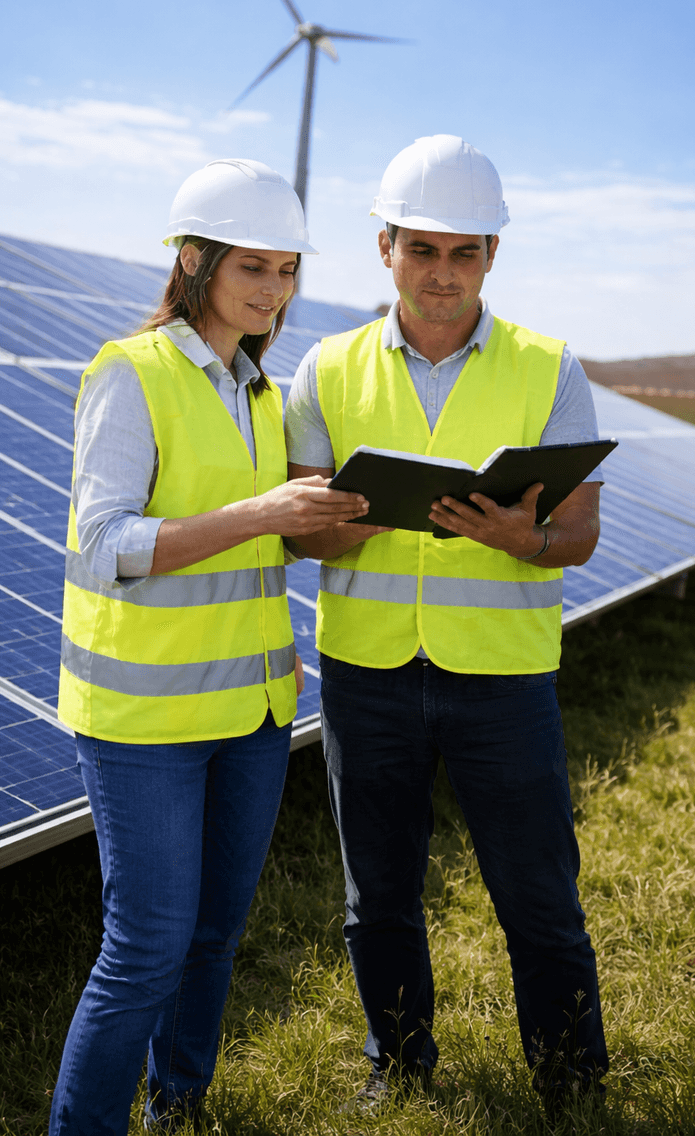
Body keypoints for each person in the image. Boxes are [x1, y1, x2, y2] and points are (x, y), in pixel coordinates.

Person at [284, 135, 609, 1116]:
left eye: (465, 251)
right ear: (384, 248)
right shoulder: (326, 370)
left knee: (538, 896)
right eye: (421, 249)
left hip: (502, 678)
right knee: (377, 896)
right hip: (368, 675)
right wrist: (350, 518)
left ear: (493, 256)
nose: (442, 272)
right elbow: (300, 536)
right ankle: (399, 1065)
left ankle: (571, 1082)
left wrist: (524, 537)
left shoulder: (551, 368)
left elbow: (580, 535)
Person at [50, 159, 368, 1135]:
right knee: (145, 947)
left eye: (287, 269)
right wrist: (261, 513)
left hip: (256, 712)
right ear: (194, 261)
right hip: (145, 720)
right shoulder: (131, 373)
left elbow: (258, 546)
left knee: (215, 937)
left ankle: (176, 1107)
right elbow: (104, 547)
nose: (274, 289)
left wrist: (330, 519)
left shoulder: (263, 393)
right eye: (252, 267)